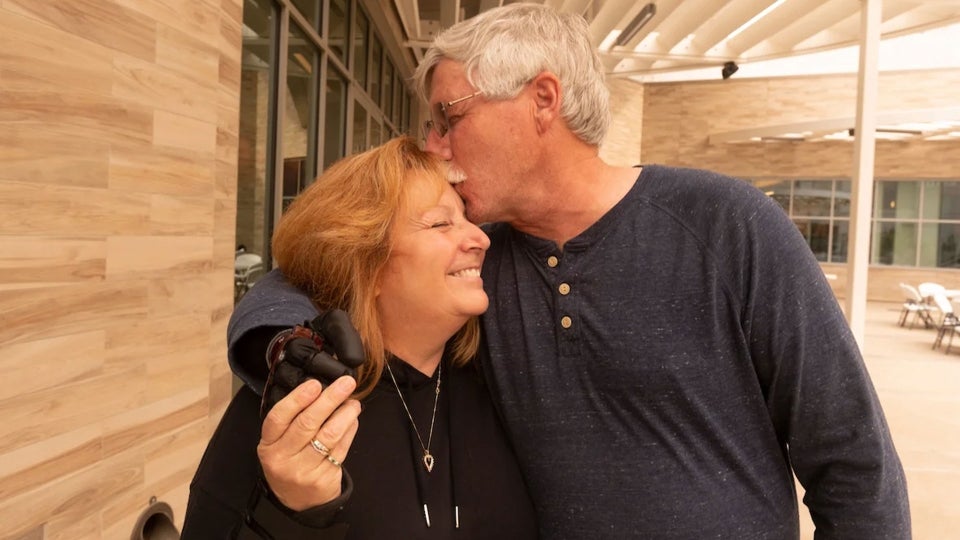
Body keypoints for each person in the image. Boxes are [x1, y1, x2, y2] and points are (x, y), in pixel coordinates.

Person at [226, 3, 911, 539]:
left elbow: (852, 461)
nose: (435, 146)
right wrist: (284, 345)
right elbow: (309, 269)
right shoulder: (476, 262)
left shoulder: (727, 225)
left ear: (543, 100)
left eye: (449, 117)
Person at [181, 137, 537, 538]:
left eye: (468, 220)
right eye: (440, 223)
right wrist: (295, 512)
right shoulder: (300, 406)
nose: (481, 239)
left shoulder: (497, 380)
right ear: (367, 262)